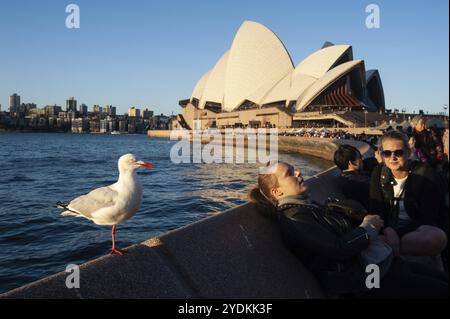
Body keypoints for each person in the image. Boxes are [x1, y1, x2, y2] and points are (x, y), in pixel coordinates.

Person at [248, 161, 448, 298]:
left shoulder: (305, 206)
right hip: (367, 283)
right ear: (277, 191)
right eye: (289, 174)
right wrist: (368, 227)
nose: (298, 173)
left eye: (294, 169)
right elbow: (338, 249)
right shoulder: (294, 217)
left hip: (379, 267)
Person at [369, 130, 448, 258]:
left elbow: (428, 217)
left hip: (418, 230)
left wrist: (396, 234)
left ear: (409, 152)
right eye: (387, 153)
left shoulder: (426, 175)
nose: (393, 157)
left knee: (436, 238)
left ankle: (390, 250)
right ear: (381, 155)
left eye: (398, 152)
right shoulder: (378, 173)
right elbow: (376, 210)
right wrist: (388, 230)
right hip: (388, 229)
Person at [333, 144, 379, 209]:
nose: (362, 158)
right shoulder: (360, 181)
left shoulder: (344, 177)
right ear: (350, 163)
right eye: (359, 157)